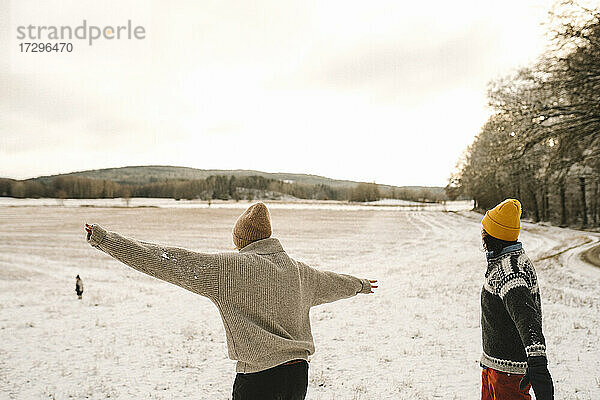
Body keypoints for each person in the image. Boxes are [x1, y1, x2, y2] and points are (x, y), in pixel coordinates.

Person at [84, 202, 377, 400]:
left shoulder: (228, 270)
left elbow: (166, 261)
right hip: (298, 376)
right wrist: (361, 285)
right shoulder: (299, 271)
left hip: (258, 380)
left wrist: (104, 239)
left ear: (242, 240)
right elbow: (333, 282)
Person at [479, 199, 554, 400]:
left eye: (484, 230)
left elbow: (526, 318)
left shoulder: (510, 271)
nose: (482, 235)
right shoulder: (506, 261)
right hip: (496, 366)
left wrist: (538, 363)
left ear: (493, 235)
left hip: (508, 372)